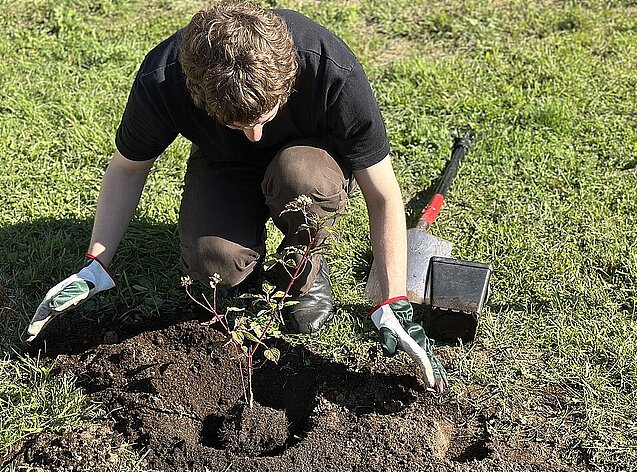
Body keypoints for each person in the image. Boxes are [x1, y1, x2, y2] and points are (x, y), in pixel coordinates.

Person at [25, 0, 446, 392]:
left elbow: (383, 194)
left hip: (308, 159)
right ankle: (244, 249)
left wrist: (393, 300)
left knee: (303, 180)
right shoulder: (164, 78)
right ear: (199, 95)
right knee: (213, 266)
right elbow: (127, 169)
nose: (255, 136)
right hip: (224, 162)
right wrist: (96, 264)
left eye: (265, 118)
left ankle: (305, 271)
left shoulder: (328, 66)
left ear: (288, 80)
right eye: (238, 124)